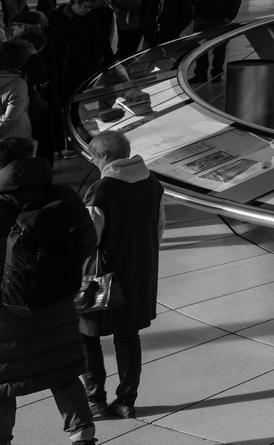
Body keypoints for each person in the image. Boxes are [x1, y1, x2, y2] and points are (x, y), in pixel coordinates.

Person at [0, 135, 98, 445]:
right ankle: (83, 436)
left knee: (4, 382)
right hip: (57, 303)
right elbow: (87, 243)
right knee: (63, 372)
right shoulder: (64, 196)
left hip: (6, 312)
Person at [76, 129, 162, 421]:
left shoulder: (102, 189)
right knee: (128, 335)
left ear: (102, 156)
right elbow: (159, 226)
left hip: (103, 276)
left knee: (88, 335)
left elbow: (91, 237)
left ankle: (95, 400)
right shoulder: (152, 182)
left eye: (92, 156)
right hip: (140, 270)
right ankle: (126, 401)